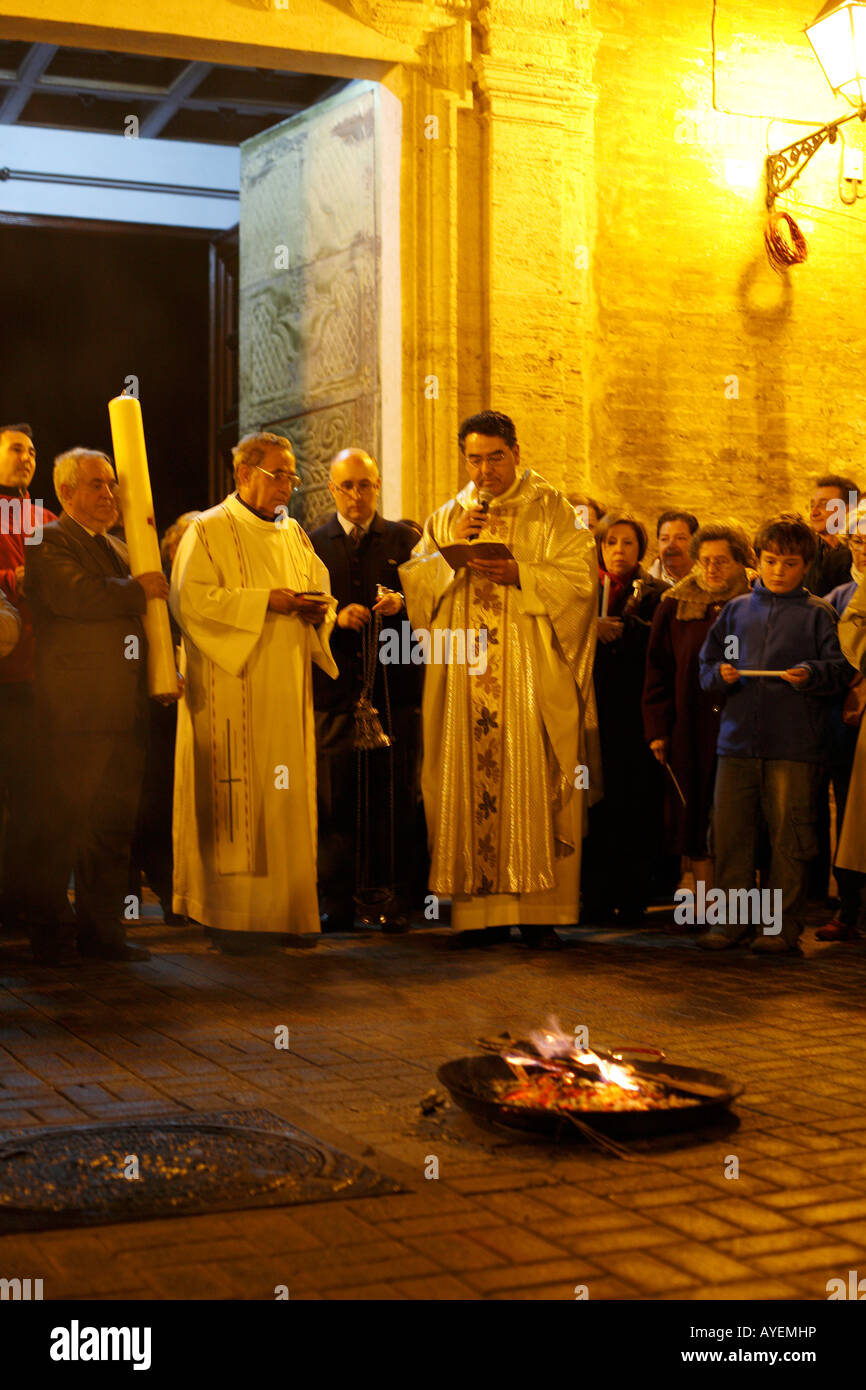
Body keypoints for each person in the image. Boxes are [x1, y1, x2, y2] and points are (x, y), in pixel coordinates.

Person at [400, 409, 598, 948]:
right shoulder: (448, 515)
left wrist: (522, 574)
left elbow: (582, 584)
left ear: (515, 452)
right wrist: (447, 557)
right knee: (464, 776)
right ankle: (477, 914)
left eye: (495, 457)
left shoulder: (554, 511)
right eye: (474, 458)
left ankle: (539, 914)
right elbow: (417, 587)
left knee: (529, 773)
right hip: (466, 675)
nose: (484, 469)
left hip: (529, 673)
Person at [170, 432, 337, 954]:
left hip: (286, 688)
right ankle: (231, 915)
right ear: (243, 474)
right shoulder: (209, 529)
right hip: (230, 689)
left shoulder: (294, 536)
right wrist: (267, 602)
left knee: (286, 799)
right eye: (277, 474)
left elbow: (319, 589)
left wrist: (317, 610)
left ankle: (289, 912)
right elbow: (190, 601)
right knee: (237, 798)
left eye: (292, 475)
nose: (287, 485)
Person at [23, 448, 173, 964]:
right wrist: (138, 589)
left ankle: (103, 933)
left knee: (112, 824)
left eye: (112, 484)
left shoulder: (116, 547)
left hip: (123, 710)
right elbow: (77, 598)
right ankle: (49, 934)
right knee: (64, 823)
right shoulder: (48, 539)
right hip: (77, 713)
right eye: (96, 485)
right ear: (66, 493)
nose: (109, 494)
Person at [698, 514, 849, 955]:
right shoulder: (736, 611)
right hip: (737, 743)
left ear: (806, 565)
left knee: (790, 837)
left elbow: (840, 669)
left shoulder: (819, 614)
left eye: (789, 563)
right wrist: (721, 674)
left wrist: (812, 674)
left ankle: (782, 926)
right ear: (757, 562)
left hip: (794, 746)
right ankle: (731, 923)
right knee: (731, 836)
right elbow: (708, 667)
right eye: (770, 562)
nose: (779, 571)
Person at [309, 449, 422, 933]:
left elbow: (439, 605)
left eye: (365, 485)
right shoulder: (311, 542)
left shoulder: (405, 540)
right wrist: (337, 617)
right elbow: (303, 606)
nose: (356, 495)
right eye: (346, 486)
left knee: (393, 798)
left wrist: (406, 601)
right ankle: (337, 899)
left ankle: (392, 899)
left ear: (378, 486)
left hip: (395, 695)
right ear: (332, 489)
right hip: (335, 694)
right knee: (336, 799)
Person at [643, 524, 754, 898]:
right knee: (693, 814)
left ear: (741, 563)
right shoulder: (675, 604)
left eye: (721, 561)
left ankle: (737, 902)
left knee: (737, 817)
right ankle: (705, 900)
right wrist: (658, 728)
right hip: (688, 727)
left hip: (739, 728)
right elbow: (658, 670)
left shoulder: (755, 604)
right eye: (704, 561)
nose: (711, 570)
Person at [581, 512, 667, 923]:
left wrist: (625, 629)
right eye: (611, 542)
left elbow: (660, 646)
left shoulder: (657, 592)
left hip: (635, 716)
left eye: (628, 543)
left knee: (636, 806)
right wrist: (589, 629)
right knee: (596, 805)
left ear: (641, 549)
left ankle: (633, 897)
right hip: (593, 713)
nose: (618, 550)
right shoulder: (583, 590)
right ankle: (595, 897)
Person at [129, 510, 202, 926]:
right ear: (172, 548)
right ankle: (166, 883)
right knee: (157, 800)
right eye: (187, 539)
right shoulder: (157, 588)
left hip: (202, 708)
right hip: (159, 711)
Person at [0, 423, 57, 932]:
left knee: (36, 797)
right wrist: (10, 579)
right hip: (4, 676)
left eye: (33, 451)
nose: (28, 457)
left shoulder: (45, 517)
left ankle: (29, 902)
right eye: (17, 448)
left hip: (44, 678)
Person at [819, 503, 866, 941]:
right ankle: (850, 908)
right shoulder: (837, 598)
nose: (864, 549)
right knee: (850, 814)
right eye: (858, 540)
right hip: (848, 723)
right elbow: (829, 659)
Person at [804, 473, 858, 597]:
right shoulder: (806, 551)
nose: (814, 513)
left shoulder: (860, 553)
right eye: (812, 505)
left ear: (849, 509)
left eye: (824, 504)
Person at [648, 510, 699, 587]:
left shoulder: (712, 583)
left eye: (680, 538)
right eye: (664, 539)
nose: (671, 545)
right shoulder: (644, 586)